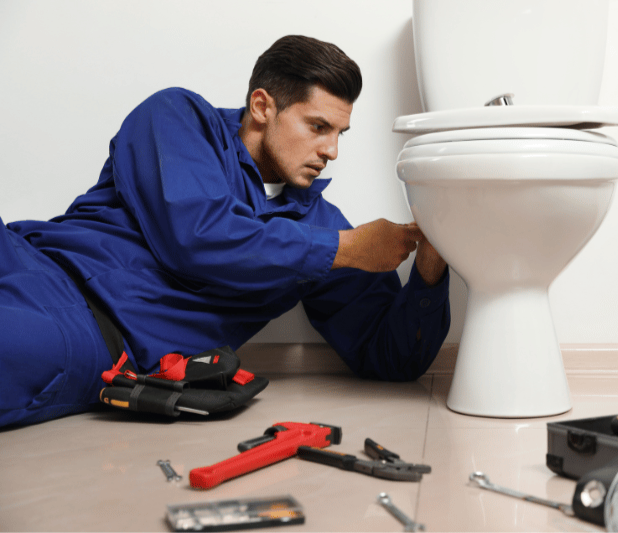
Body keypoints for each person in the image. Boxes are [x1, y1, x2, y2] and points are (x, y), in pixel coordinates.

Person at [0, 35, 451, 428]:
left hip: (84, 333)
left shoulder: (323, 229)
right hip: (27, 256)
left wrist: (431, 266)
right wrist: (341, 248)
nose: (331, 150)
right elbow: (198, 237)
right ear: (262, 106)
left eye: (340, 134)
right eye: (318, 127)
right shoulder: (178, 118)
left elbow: (391, 356)